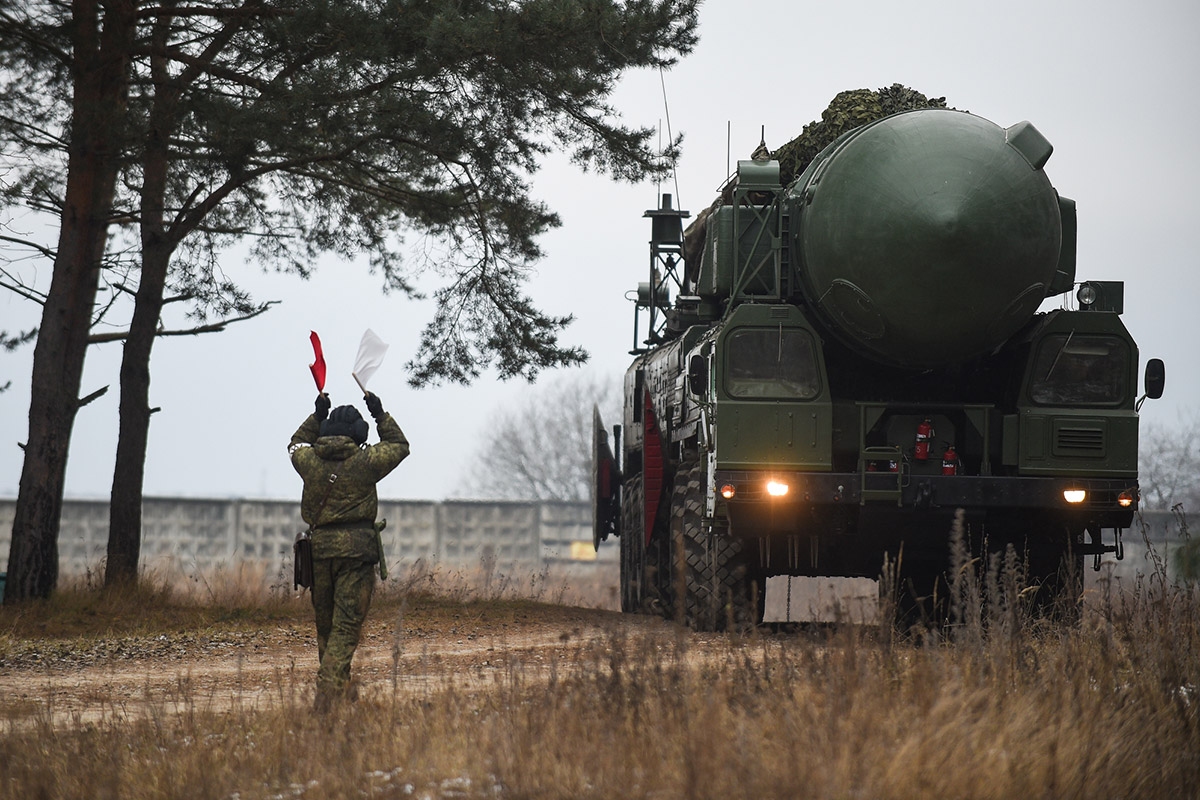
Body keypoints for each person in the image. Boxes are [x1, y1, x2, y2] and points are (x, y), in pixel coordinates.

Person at [288, 390, 409, 710]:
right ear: (359, 435)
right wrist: (380, 414)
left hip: (319, 552)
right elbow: (400, 446)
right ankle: (327, 693)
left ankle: (338, 693)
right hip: (356, 553)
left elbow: (295, 444)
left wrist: (316, 416)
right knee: (346, 626)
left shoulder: (309, 461)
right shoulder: (366, 461)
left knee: (326, 627)